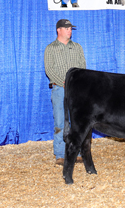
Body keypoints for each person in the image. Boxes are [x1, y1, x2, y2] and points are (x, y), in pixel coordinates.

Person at [44, 19, 86, 165]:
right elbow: (49, 70)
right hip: (59, 89)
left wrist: (76, 83)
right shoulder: (50, 48)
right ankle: (60, 155)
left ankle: (77, 152)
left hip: (76, 91)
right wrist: (64, 82)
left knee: (77, 122)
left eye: (70, 28)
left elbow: (82, 68)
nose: (70, 31)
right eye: (67, 28)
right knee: (60, 123)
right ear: (59, 30)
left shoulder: (77, 47)